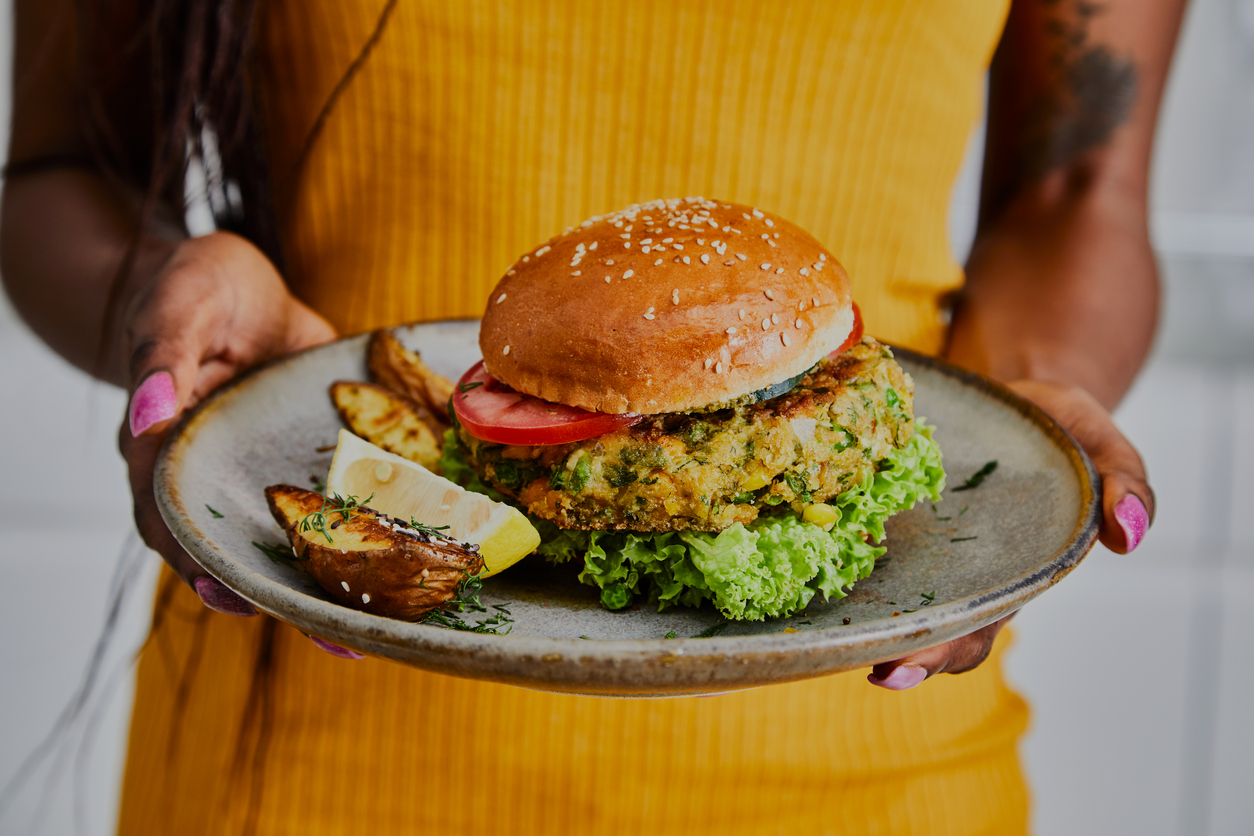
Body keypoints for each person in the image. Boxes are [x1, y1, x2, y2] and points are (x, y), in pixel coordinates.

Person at [2, 0, 1181, 832]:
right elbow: (59, 165)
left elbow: (1077, 189)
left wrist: (1006, 427)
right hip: (310, 714)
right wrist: (162, 300)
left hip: (878, 746)